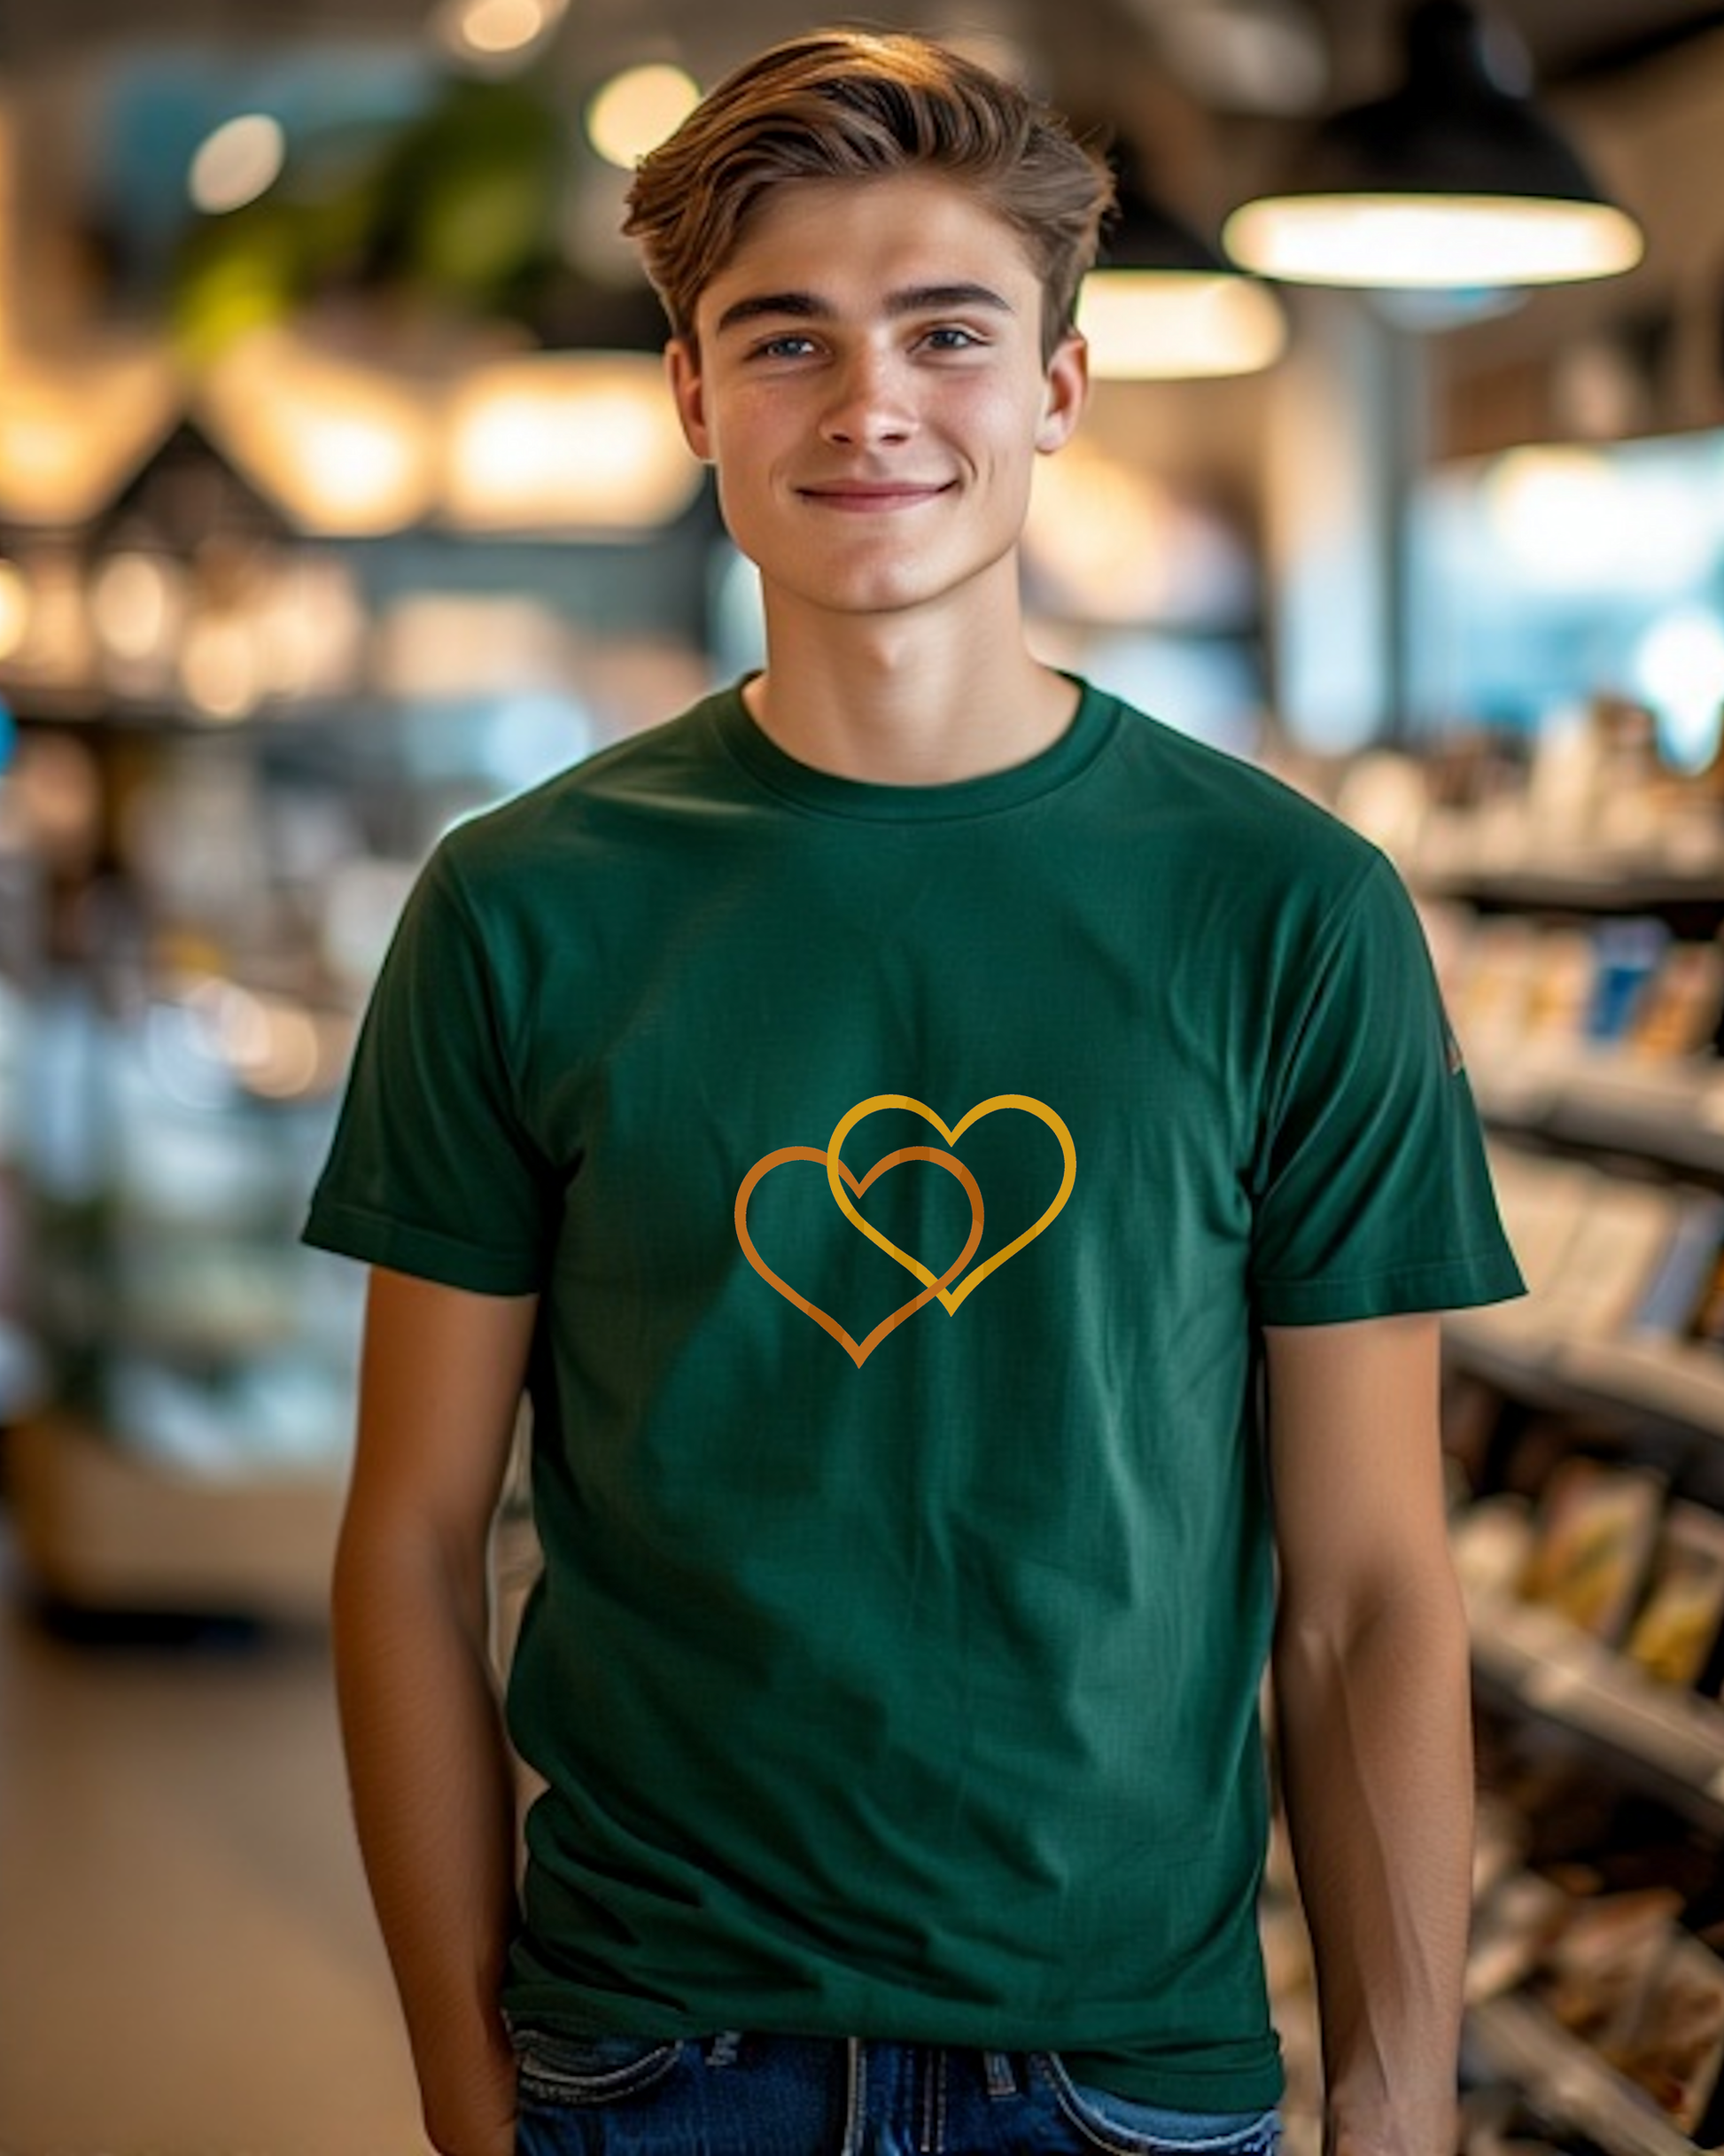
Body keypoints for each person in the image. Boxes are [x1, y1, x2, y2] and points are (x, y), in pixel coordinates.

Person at [305, 27, 1524, 2156]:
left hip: (1130, 2074)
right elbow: (408, 1542)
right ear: (690, 395)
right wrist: (459, 2079)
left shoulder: (1291, 911)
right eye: (783, 340)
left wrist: (1400, 2097)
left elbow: (1366, 1591)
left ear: (1055, 387)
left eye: (946, 333)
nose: (869, 404)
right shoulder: (517, 909)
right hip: (649, 2053)